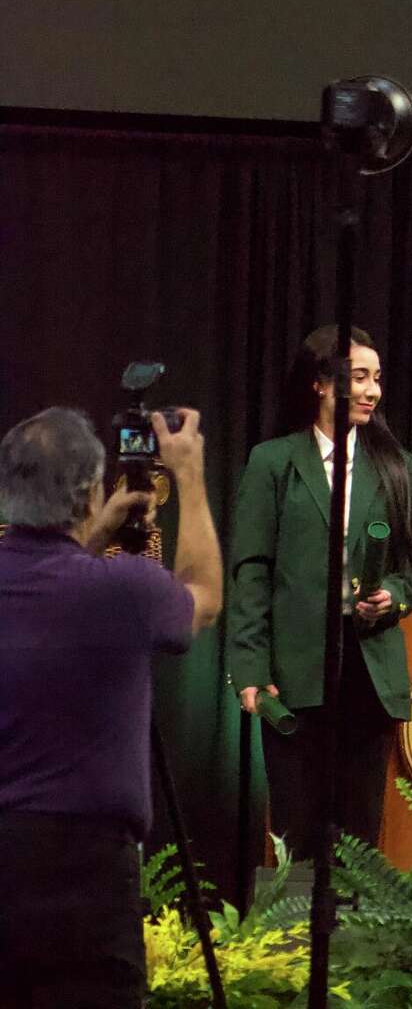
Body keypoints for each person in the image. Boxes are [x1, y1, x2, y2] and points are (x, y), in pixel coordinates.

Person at [0, 404, 222, 1009]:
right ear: (87, 494)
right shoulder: (124, 590)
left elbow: (48, 577)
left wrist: (91, 536)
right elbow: (201, 598)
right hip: (86, 878)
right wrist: (190, 477)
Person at [227, 324, 412, 859]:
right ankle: (294, 939)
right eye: (359, 378)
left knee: (359, 830)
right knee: (296, 826)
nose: (372, 391)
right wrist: (249, 666)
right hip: (295, 670)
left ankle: (355, 939)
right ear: (321, 384)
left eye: (377, 379)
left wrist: (392, 596)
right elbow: (252, 569)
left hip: (368, 669)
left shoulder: (398, 466)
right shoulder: (273, 462)